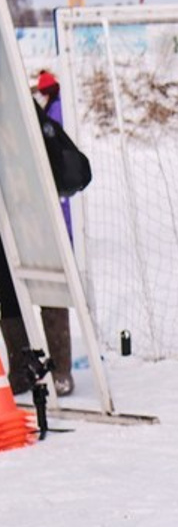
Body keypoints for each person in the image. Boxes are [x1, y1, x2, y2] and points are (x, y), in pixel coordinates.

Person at [1, 70, 78, 396]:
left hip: (31, 209)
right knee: (7, 290)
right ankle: (24, 369)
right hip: (8, 215)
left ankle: (58, 370)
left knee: (47, 283)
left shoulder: (22, 107)